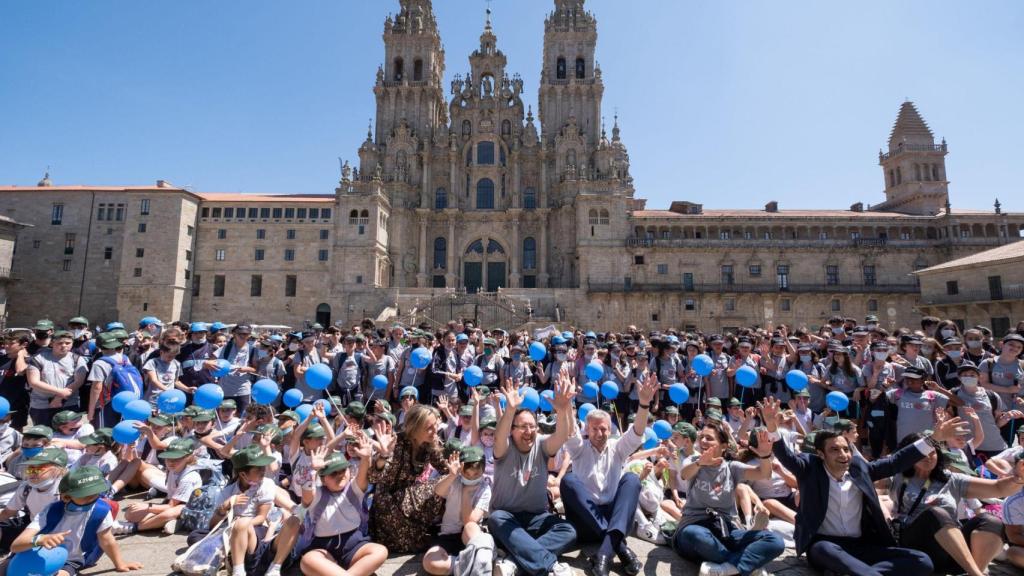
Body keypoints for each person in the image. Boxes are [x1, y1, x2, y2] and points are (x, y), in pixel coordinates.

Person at [761, 396, 970, 576]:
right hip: (827, 544)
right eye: (835, 450)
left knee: (922, 561)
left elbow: (896, 461)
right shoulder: (809, 468)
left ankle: (855, 572)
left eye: (846, 449)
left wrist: (933, 439)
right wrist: (772, 426)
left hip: (862, 545)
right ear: (821, 455)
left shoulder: (859, 468)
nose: (843, 455)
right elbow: (785, 456)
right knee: (823, 551)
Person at [559, 372, 658, 576]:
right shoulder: (579, 448)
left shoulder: (617, 448)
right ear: (587, 429)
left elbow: (637, 432)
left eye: (603, 429)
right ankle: (619, 548)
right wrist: (567, 404)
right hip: (584, 521)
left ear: (610, 430)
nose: (599, 433)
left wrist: (644, 404)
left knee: (631, 479)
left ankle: (603, 555)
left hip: (615, 517)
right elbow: (569, 430)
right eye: (594, 429)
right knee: (568, 481)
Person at [890, 432, 1024, 576]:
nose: (928, 456)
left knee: (991, 521)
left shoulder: (951, 479)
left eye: (933, 452)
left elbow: (998, 488)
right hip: (915, 545)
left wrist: (1018, 477)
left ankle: (971, 572)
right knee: (936, 513)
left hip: (950, 547)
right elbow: (869, 479)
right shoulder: (897, 476)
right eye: (922, 452)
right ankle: (976, 574)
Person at [488, 375, 577, 576]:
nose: (528, 431)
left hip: (537, 518)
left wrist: (563, 409)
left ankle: (513, 561)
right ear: (512, 430)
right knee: (495, 519)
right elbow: (499, 436)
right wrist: (510, 410)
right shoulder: (505, 447)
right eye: (522, 427)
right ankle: (550, 565)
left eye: (532, 426)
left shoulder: (542, 444)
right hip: (507, 518)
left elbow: (562, 435)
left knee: (569, 530)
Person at [672, 421, 782, 576]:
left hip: (727, 531)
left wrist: (764, 456)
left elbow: (763, 473)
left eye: (709, 438)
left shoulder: (732, 467)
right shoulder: (693, 461)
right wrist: (700, 463)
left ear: (723, 445)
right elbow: (685, 474)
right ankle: (746, 565)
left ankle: (727, 569)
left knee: (775, 541)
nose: (703, 441)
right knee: (697, 535)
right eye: (701, 437)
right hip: (694, 528)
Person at [0, 465, 143, 576]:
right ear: (66, 497)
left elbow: (106, 539)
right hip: (34, 552)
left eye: (95, 494)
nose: (92, 499)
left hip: (69, 560)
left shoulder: (101, 510)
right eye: (85, 496)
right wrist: (40, 539)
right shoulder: (50, 511)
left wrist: (120, 564)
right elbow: (16, 546)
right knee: (4, 569)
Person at [367, 403, 450, 553]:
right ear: (415, 428)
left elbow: (445, 468)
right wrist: (383, 456)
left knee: (445, 482)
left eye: (435, 426)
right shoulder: (396, 443)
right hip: (387, 499)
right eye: (429, 428)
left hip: (409, 494)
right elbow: (373, 477)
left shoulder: (429, 444)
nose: (434, 431)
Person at [422, 446, 493, 576]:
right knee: (430, 562)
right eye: (467, 473)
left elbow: (469, 520)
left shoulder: (485, 488)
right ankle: (467, 566)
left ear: (483, 470)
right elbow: (438, 491)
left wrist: (466, 493)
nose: (471, 478)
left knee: (471, 526)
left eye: (476, 474)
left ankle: (477, 560)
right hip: (448, 534)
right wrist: (452, 475)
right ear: (461, 469)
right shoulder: (455, 481)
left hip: (470, 537)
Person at [25, 330, 89, 428]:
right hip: (42, 405)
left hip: (68, 405)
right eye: (60, 343)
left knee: (69, 436)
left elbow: (78, 382)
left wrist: (59, 398)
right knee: (43, 437)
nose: (64, 345)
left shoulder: (77, 359)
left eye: (68, 343)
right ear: (52, 343)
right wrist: (60, 392)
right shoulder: (38, 359)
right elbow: (33, 382)